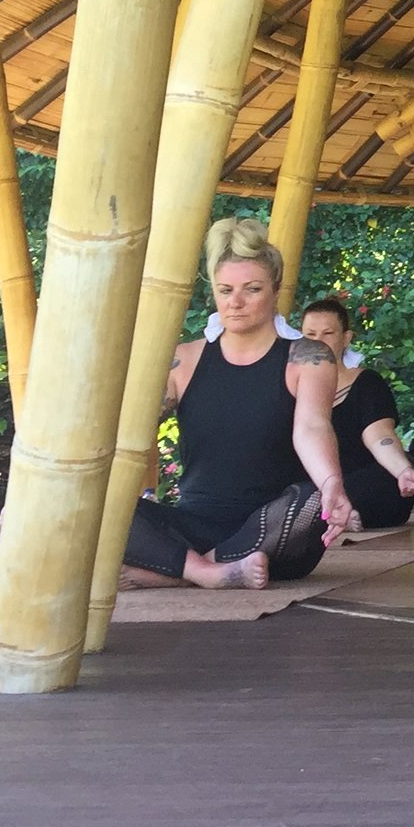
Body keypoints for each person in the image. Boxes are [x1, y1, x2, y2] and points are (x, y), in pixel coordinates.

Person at [116, 218, 360, 591]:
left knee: (311, 500)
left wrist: (332, 484)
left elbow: (311, 427)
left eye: (252, 289)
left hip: (272, 527)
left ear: (275, 290)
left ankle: (168, 571)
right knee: (96, 501)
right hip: (193, 523)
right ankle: (205, 572)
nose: (236, 301)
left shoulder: (308, 358)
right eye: (225, 289)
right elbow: (130, 430)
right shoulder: (183, 361)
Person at [300, 297, 414, 531]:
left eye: (328, 333)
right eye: (310, 335)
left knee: (385, 479)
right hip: (310, 483)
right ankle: (328, 513)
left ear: (346, 338)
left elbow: (379, 435)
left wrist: (402, 470)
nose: (318, 341)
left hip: (358, 482)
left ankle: (325, 514)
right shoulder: (290, 385)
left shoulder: (366, 382)